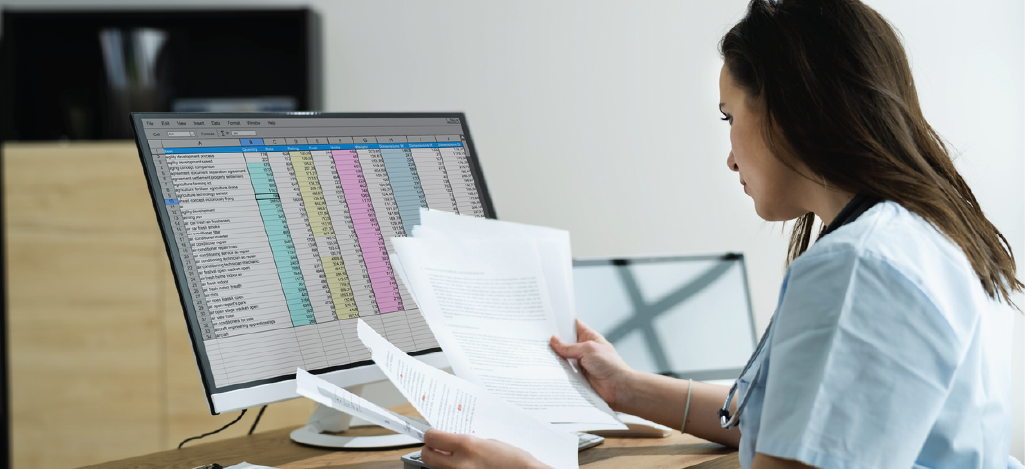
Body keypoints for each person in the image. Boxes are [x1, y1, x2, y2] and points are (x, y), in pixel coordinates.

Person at [419, 0, 1023, 468]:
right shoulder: (910, 234)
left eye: (730, 118)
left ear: (789, 108)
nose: (730, 157)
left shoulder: (861, 269)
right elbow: (787, 422)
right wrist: (627, 388)